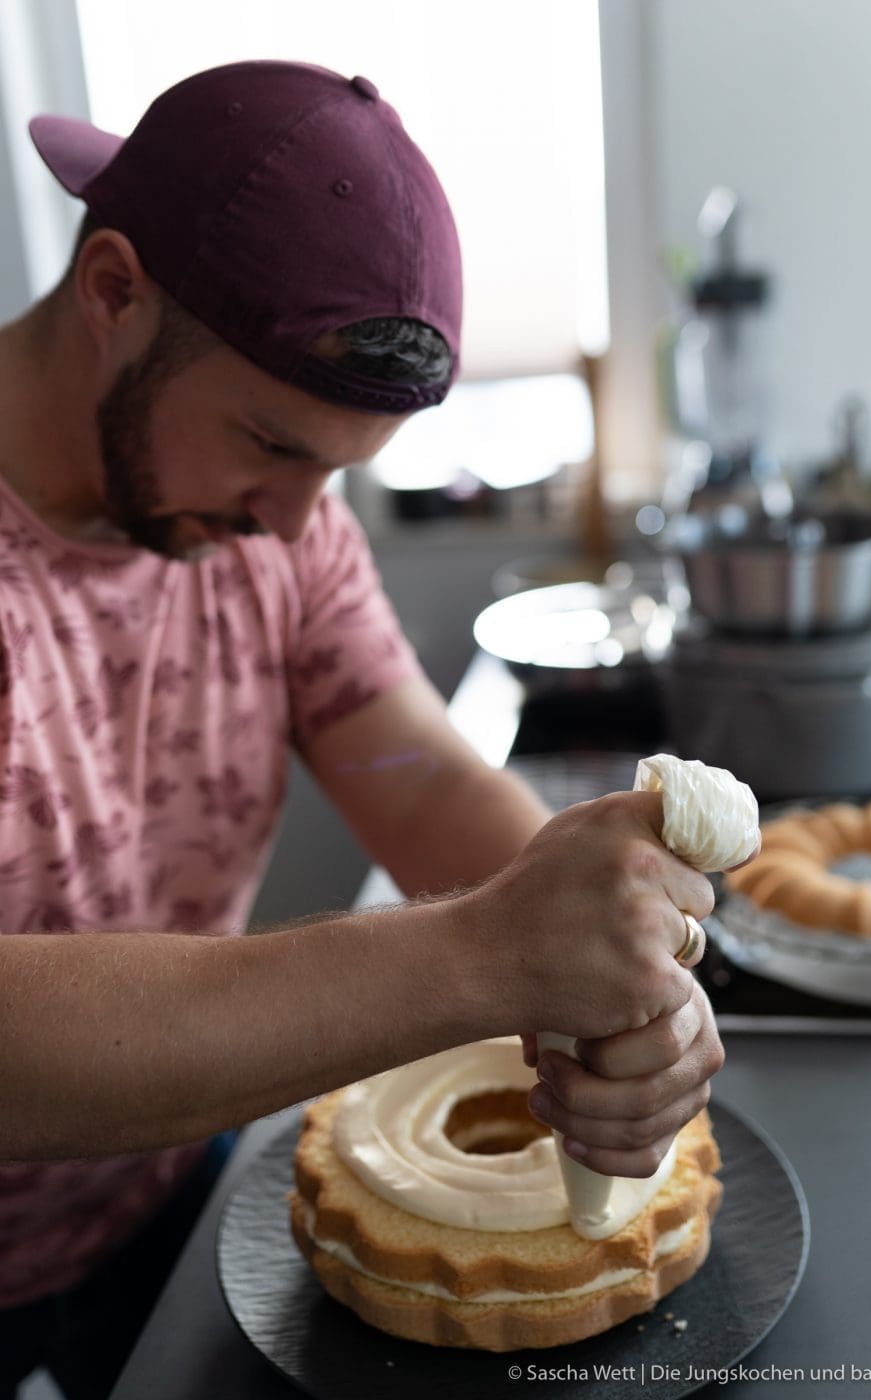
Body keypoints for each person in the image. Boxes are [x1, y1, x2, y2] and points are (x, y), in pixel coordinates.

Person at [0, 60, 725, 1396]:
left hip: (169, 1190)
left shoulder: (277, 523)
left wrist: (615, 969)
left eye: (334, 476)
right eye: (274, 445)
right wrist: (482, 954)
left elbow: (413, 774)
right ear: (111, 290)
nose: (291, 525)